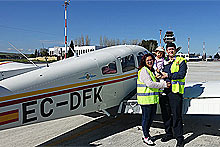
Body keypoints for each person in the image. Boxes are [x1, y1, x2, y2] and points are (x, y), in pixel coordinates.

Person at [137, 53, 168, 146]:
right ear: (144, 62)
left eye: (151, 60)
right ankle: (146, 136)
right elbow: (149, 84)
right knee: (146, 119)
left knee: (150, 119)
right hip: (146, 100)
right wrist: (163, 85)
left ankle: (147, 134)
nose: (150, 61)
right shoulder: (143, 71)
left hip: (152, 99)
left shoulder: (151, 70)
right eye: (148, 60)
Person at [160, 42, 187, 147]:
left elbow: (181, 74)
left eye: (172, 49)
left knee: (176, 116)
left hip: (175, 92)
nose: (171, 51)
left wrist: (168, 75)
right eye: (169, 49)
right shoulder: (163, 62)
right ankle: (168, 133)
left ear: (175, 50)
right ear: (166, 51)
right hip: (164, 91)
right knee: (165, 114)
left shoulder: (181, 61)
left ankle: (179, 138)